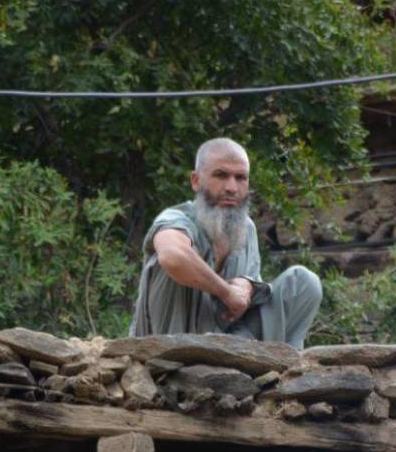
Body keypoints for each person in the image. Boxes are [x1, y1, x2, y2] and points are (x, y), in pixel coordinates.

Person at [128, 138, 321, 347]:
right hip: (167, 352)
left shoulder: (246, 229)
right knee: (177, 262)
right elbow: (173, 256)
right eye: (221, 175)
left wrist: (248, 286)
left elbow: (247, 301)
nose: (231, 187)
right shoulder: (176, 219)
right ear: (196, 181)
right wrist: (226, 292)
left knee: (303, 282)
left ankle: (288, 367)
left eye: (240, 178)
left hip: (226, 349)